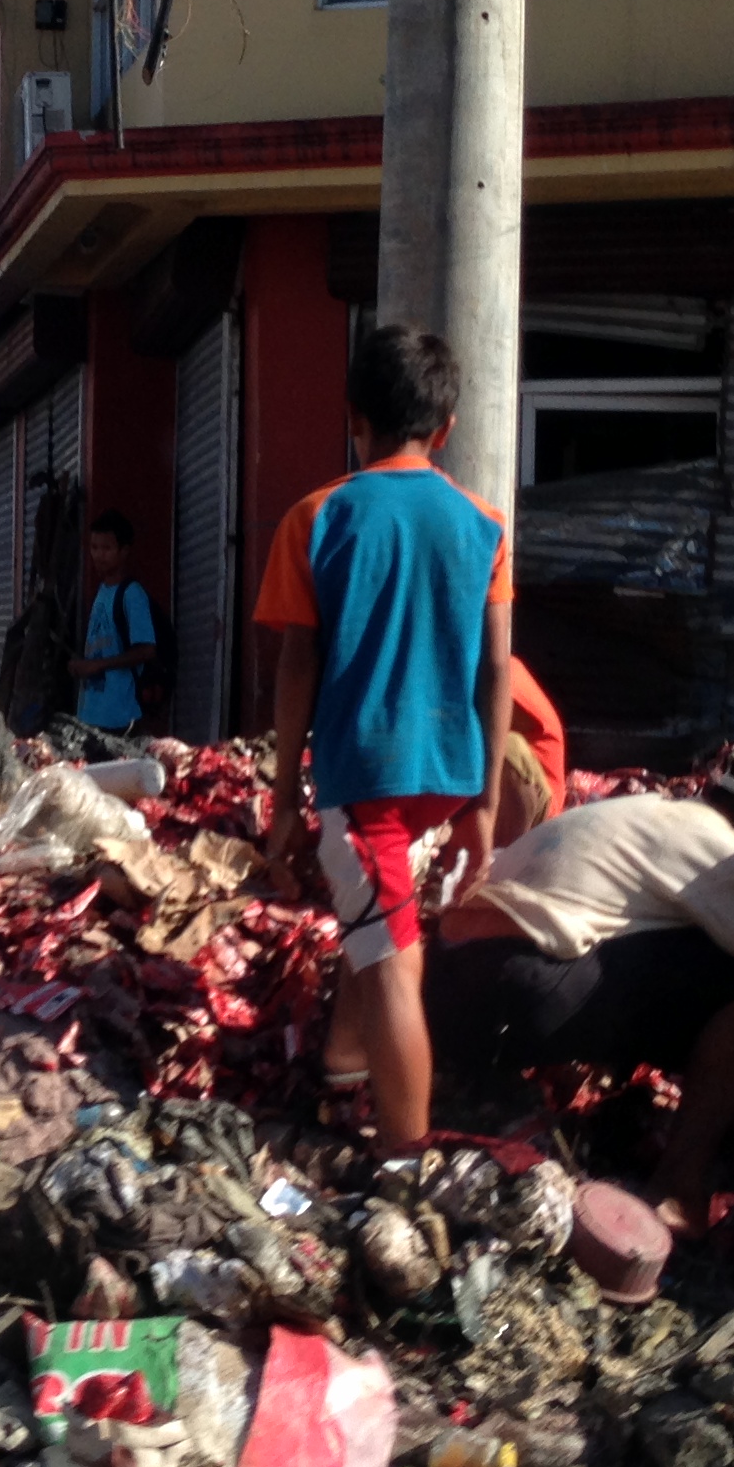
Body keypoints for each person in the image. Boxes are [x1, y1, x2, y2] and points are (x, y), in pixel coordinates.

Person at [427, 741, 734, 1231]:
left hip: (443, 988)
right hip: (517, 993)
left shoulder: (651, 813)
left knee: (688, 963)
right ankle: (678, 1189)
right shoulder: (728, 860)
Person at [256, 323, 512, 1165]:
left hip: (364, 777)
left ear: (352, 415)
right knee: (383, 932)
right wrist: (483, 805)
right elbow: (496, 669)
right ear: (444, 429)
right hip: (444, 772)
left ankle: (407, 1161)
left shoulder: (318, 516)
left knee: (395, 964)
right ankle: (340, 1068)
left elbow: (297, 667)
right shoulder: (484, 524)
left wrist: (286, 795)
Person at [67, 509, 157, 734]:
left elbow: (147, 650)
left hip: (121, 720)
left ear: (124, 551)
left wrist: (97, 665)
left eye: (107, 548)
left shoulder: (132, 594)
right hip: (91, 717)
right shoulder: (102, 592)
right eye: (94, 547)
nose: (99, 555)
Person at [493, 657, 567, 847]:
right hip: (498, 800)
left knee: (506, 745)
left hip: (539, 809)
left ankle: (510, 851)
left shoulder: (504, 674)